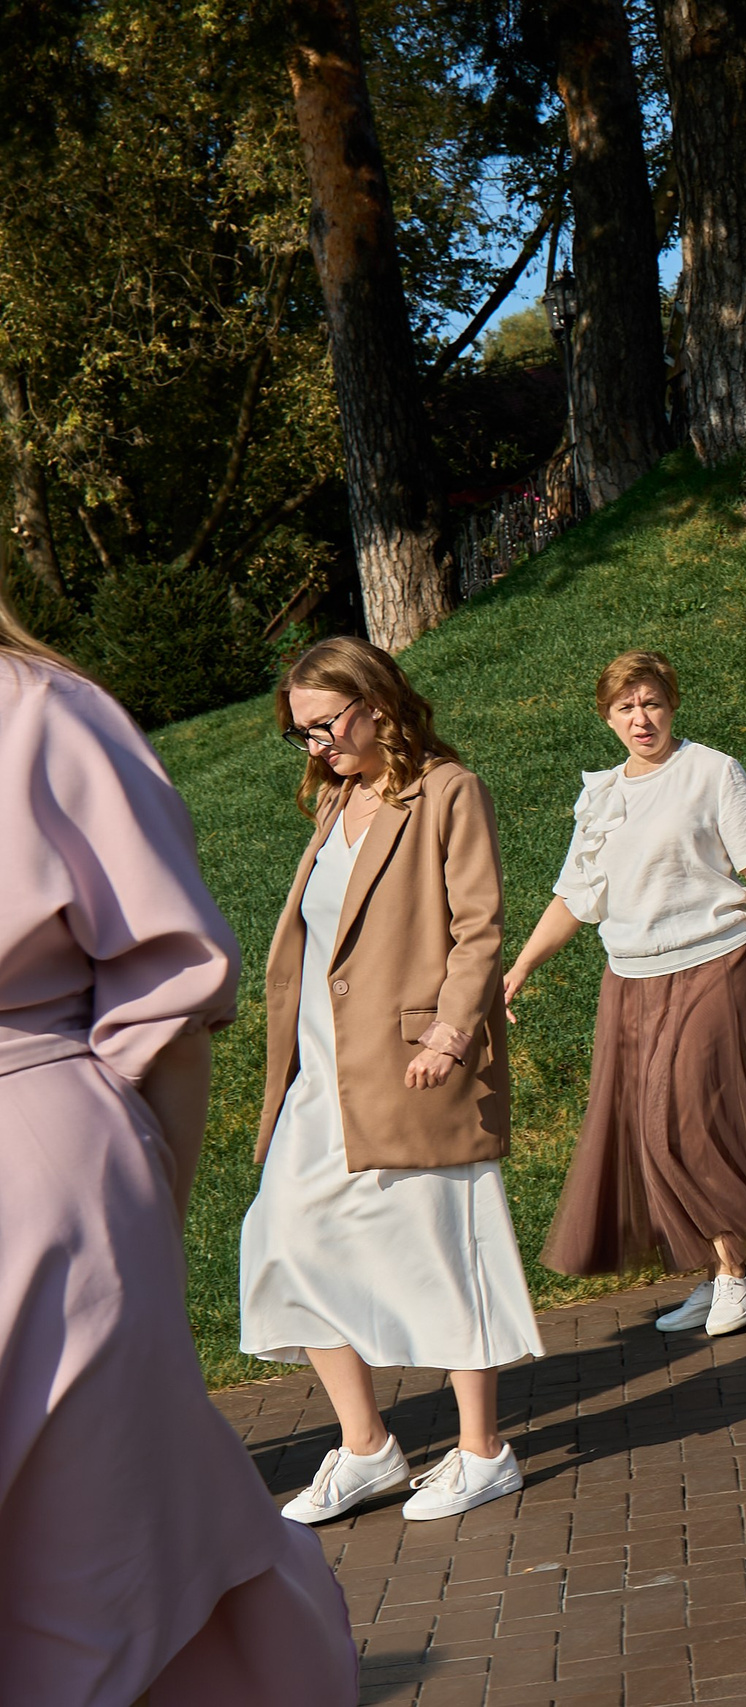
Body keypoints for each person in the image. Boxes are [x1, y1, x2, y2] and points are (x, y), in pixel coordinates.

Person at [0, 598, 359, 1704]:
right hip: (51, 1170)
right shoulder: (42, 716)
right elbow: (164, 1012)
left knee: (95, 1574)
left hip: (39, 1162)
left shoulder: (42, 712)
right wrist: (145, 1209)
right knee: (103, 1580)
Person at [239, 637, 544, 1524]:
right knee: (282, 1238)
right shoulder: (336, 799)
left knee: (443, 1245)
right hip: (323, 1075)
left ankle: (485, 1451)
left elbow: (478, 926)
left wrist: (453, 1032)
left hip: (415, 1065)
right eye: (300, 734)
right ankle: (367, 1446)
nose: (316, 747)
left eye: (325, 725)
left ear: (375, 702)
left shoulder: (447, 790)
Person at [505, 651, 746, 1336]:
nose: (641, 717)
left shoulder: (712, 772)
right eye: (626, 707)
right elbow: (575, 896)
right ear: (607, 717)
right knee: (645, 1131)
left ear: (672, 704)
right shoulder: (602, 796)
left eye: (652, 702)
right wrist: (517, 970)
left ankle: (732, 1273)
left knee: (686, 1121)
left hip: (715, 964)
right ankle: (714, 1267)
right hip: (629, 979)